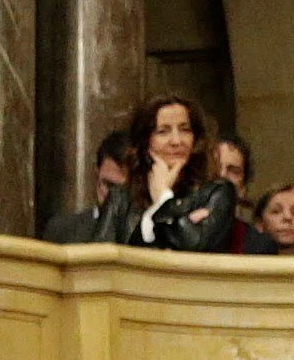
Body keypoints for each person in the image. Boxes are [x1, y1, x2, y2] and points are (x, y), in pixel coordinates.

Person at [100, 91, 240, 251]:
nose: (176, 141)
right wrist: (168, 219)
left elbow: (196, 249)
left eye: (185, 130)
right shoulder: (120, 198)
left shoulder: (217, 192)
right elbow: (99, 262)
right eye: (163, 131)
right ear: (145, 141)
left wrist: (164, 200)